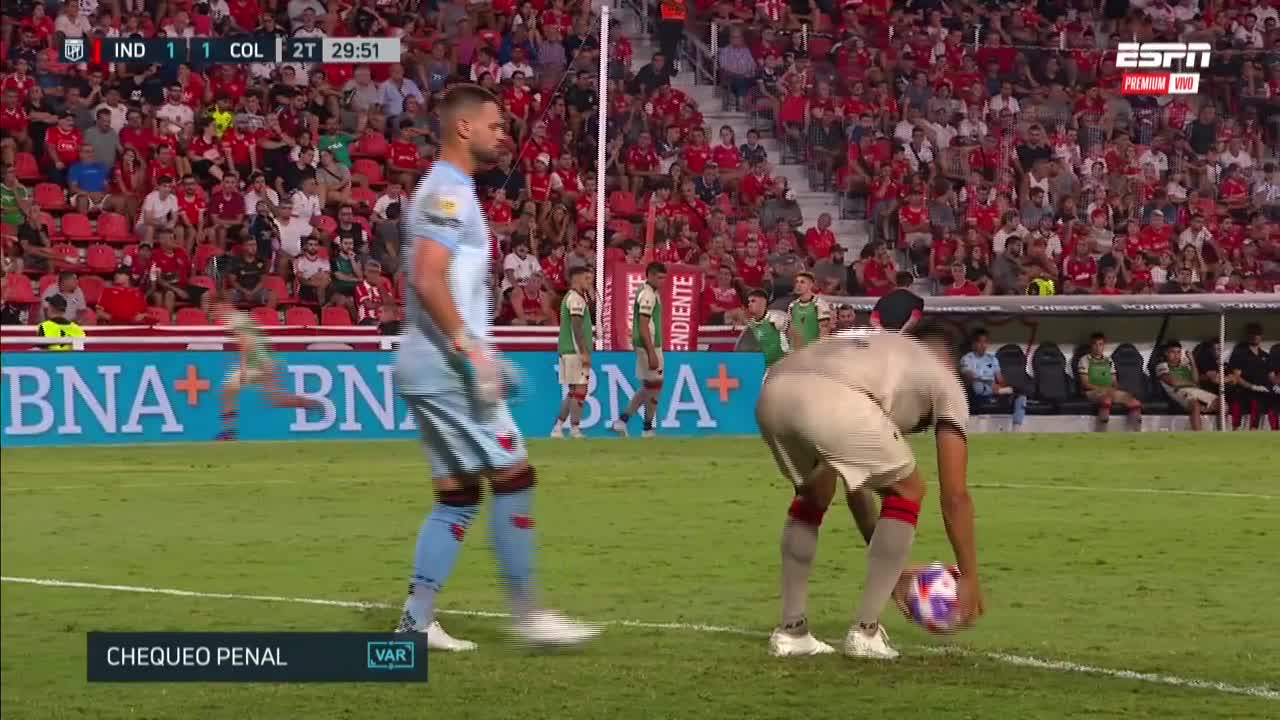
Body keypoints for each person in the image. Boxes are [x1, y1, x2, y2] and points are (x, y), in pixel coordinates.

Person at [394, 84, 599, 650]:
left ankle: (417, 621)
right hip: (446, 367)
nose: (504, 134)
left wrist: (481, 350)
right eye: (496, 124)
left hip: (431, 363)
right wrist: (471, 350)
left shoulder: (452, 189)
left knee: (458, 493)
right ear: (465, 128)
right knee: (515, 475)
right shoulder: (447, 191)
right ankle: (529, 612)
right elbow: (427, 277)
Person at [755, 327, 983, 659]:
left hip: (773, 389)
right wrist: (970, 578)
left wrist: (892, 571)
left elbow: (856, 484)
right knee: (909, 489)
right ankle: (866, 631)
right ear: (950, 362)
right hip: (833, 397)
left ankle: (792, 632)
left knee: (813, 496)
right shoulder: (944, 377)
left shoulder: (876, 349)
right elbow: (955, 496)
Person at [211, 299, 319, 442]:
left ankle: (228, 432)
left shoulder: (236, 319)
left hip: (260, 364)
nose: (216, 312)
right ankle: (308, 403)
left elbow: (246, 343)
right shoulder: (241, 318)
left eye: (218, 309)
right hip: (264, 362)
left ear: (226, 306)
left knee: (230, 389)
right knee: (275, 399)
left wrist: (243, 368)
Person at [611, 261, 667, 438]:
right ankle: (647, 428)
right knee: (655, 386)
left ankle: (623, 421)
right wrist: (651, 352)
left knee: (650, 386)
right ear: (650, 275)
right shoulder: (648, 295)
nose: (662, 281)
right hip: (648, 345)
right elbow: (643, 325)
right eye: (659, 278)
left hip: (645, 344)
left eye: (664, 278)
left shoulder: (648, 291)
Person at [551, 266, 594, 439]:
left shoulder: (573, 297)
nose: (589, 282)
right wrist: (584, 352)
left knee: (573, 392)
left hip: (567, 349)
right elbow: (577, 329)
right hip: (574, 351)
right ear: (576, 279)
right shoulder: (575, 299)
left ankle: (558, 428)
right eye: (587, 279)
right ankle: (575, 429)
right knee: (581, 390)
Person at [960, 329, 1027, 430]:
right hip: (977, 392)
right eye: (980, 342)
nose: (983, 345)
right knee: (977, 386)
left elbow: (1000, 379)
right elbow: (970, 376)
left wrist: (1005, 386)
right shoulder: (967, 359)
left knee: (1021, 395)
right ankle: (999, 391)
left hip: (993, 390)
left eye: (985, 342)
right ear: (974, 344)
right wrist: (992, 385)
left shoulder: (992, 359)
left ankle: (1016, 428)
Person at [1076, 332, 1142, 431]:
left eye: (1100, 344)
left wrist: (1115, 390)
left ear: (1104, 346)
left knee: (1134, 402)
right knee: (1106, 400)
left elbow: (1114, 381)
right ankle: (1102, 431)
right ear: (1091, 345)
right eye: (1095, 344)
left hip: (1109, 391)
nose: (1098, 347)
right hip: (1092, 392)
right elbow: (1085, 383)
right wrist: (1103, 390)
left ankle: (1136, 432)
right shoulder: (1084, 360)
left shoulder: (1109, 360)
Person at [1154, 342, 1219, 432]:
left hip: (1194, 390)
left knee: (1222, 403)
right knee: (1195, 404)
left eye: (1178, 352)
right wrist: (1192, 383)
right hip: (1178, 391)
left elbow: (1196, 380)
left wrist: (1192, 361)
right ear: (1166, 353)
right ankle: (1199, 435)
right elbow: (1173, 382)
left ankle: (1221, 433)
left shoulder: (1185, 366)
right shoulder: (1162, 366)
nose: (1176, 355)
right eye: (1172, 352)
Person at [742, 289, 789, 367]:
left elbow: (795, 337)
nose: (749, 304)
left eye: (753, 301)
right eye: (749, 302)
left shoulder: (777, 318)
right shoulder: (751, 325)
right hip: (766, 366)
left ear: (762, 302)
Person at [787, 271, 830, 349]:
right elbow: (791, 329)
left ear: (810, 285)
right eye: (797, 282)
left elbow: (824, 329)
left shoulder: (820, 304)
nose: (798, 285)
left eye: (802, 282)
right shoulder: (792, 305)